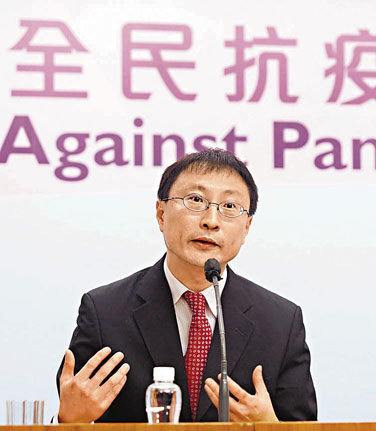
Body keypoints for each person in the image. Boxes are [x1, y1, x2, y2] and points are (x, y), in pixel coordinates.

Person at [56, 149, 317, 423]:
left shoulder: (281, 323)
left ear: (247, 227)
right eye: (196, 200)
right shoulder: (105, 312)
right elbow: (74, 411)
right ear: (161, 214)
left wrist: (269, 426)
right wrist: (68, 421)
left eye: (229, 207)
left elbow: (303, 424)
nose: (211, 221)